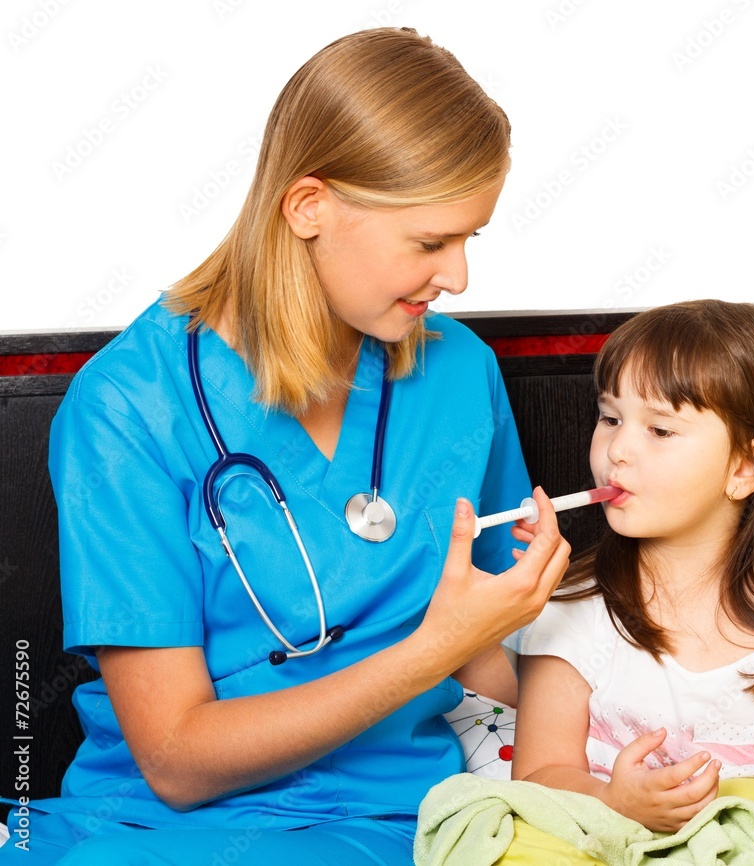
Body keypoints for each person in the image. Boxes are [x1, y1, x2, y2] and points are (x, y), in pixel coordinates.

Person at [0, 27, 570, 864]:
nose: (458, 277)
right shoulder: (127, 405)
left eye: (469, 240)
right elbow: (176, 762)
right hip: (162, 825)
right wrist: (432, 652)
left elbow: (492, 654)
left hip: (400, 817)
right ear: (308, 207)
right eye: (429, 243)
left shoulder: (459, 373)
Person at [510, 299, 754, 826]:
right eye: (610, 418)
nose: (617, 449)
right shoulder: (572, 608)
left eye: (660, 430)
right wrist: (615, 802)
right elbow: (538, 776)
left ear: (745, 468)